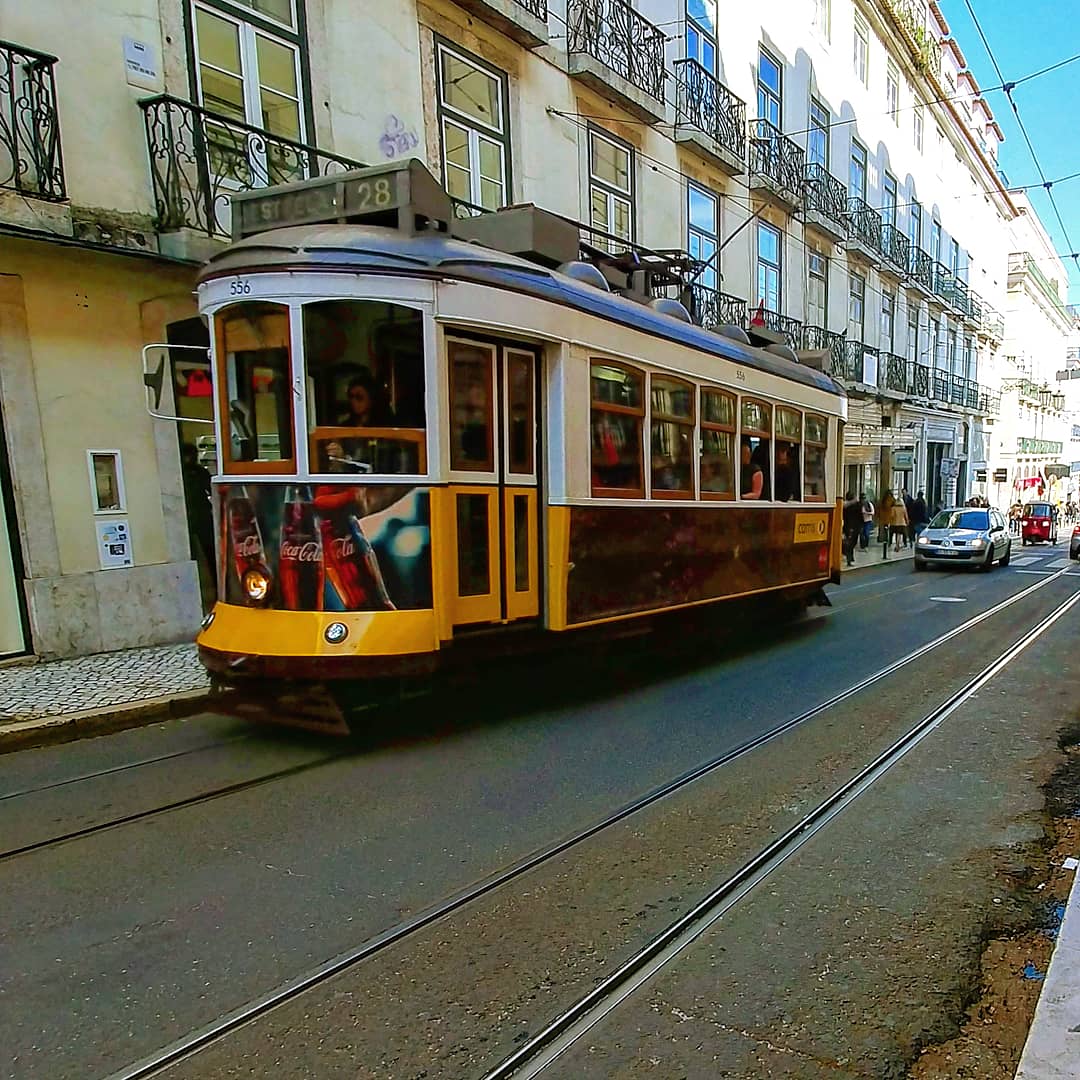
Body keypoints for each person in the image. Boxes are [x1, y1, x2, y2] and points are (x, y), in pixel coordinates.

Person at [842, 491, 863, 566]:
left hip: (847, 526)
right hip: (855, 526)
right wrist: (861, 525)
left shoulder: (844, 506)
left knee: (848, 542)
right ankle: (849, 558)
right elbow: (860, 515)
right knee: (852, 543)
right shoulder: (857, 505)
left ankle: (849, 557)